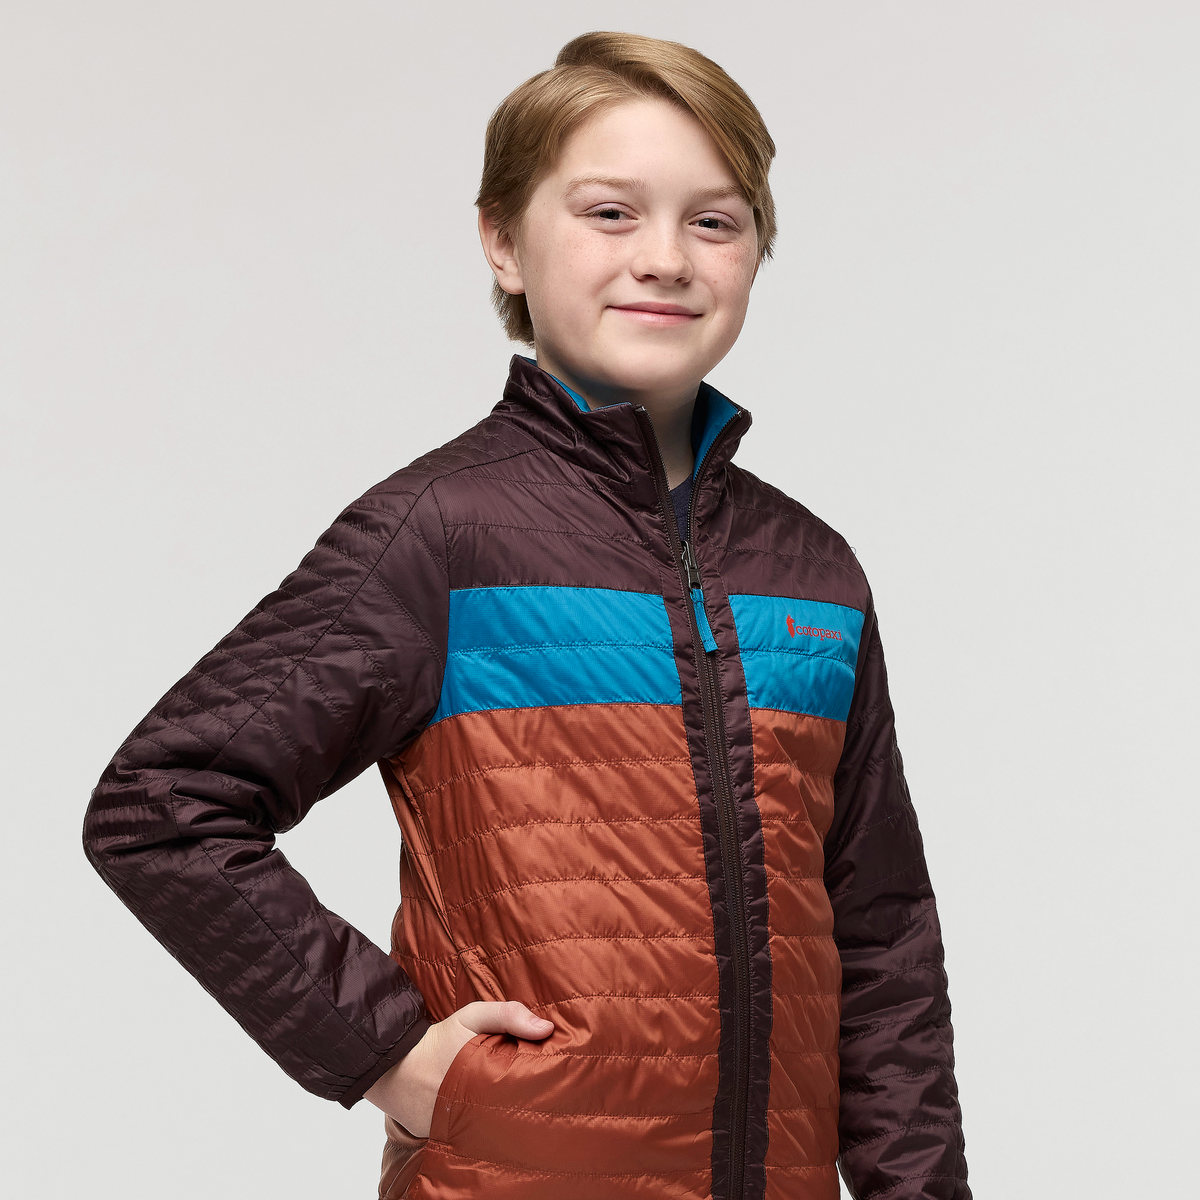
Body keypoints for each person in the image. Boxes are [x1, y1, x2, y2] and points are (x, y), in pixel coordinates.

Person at [83, 30, 970, 1200]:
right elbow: (161, 805)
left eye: (714, 220)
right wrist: (388, 1053)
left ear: (760, 249)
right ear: (503, 239)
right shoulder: (445, 535)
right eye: (610, 213)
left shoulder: (814, 572)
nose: (666, 257)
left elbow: (883, 937)